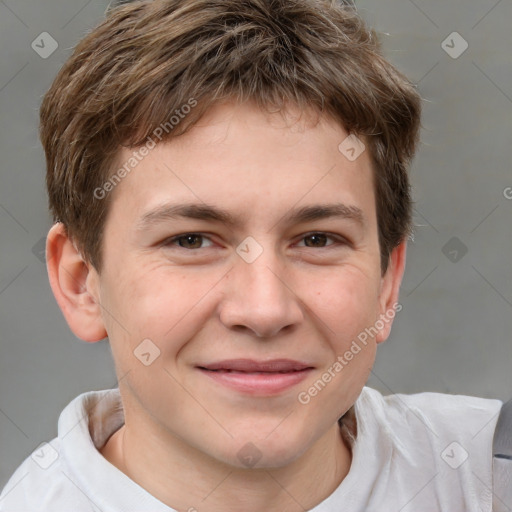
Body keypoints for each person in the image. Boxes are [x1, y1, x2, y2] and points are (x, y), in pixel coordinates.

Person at [0, 0, 503, 510]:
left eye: (317, 240)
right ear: (81, 282)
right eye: (191, 240)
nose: (264, 310)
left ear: (386, 283)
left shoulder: (488, 475)